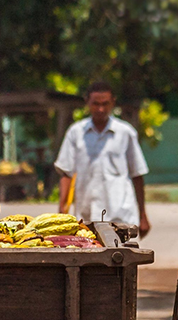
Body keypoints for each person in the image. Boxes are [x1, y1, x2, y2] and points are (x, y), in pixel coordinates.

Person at [54, 81, 151, 237]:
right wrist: (61, 210)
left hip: (121, 214)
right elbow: (66, 172)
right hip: (87, 216)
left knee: (124, 258)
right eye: (95, 104)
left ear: (113, 102)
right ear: (87, 103)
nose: (100, 109)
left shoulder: (125, 133)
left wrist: (143, 216)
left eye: (105, 104)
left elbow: (137, 174)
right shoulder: (76, 133)